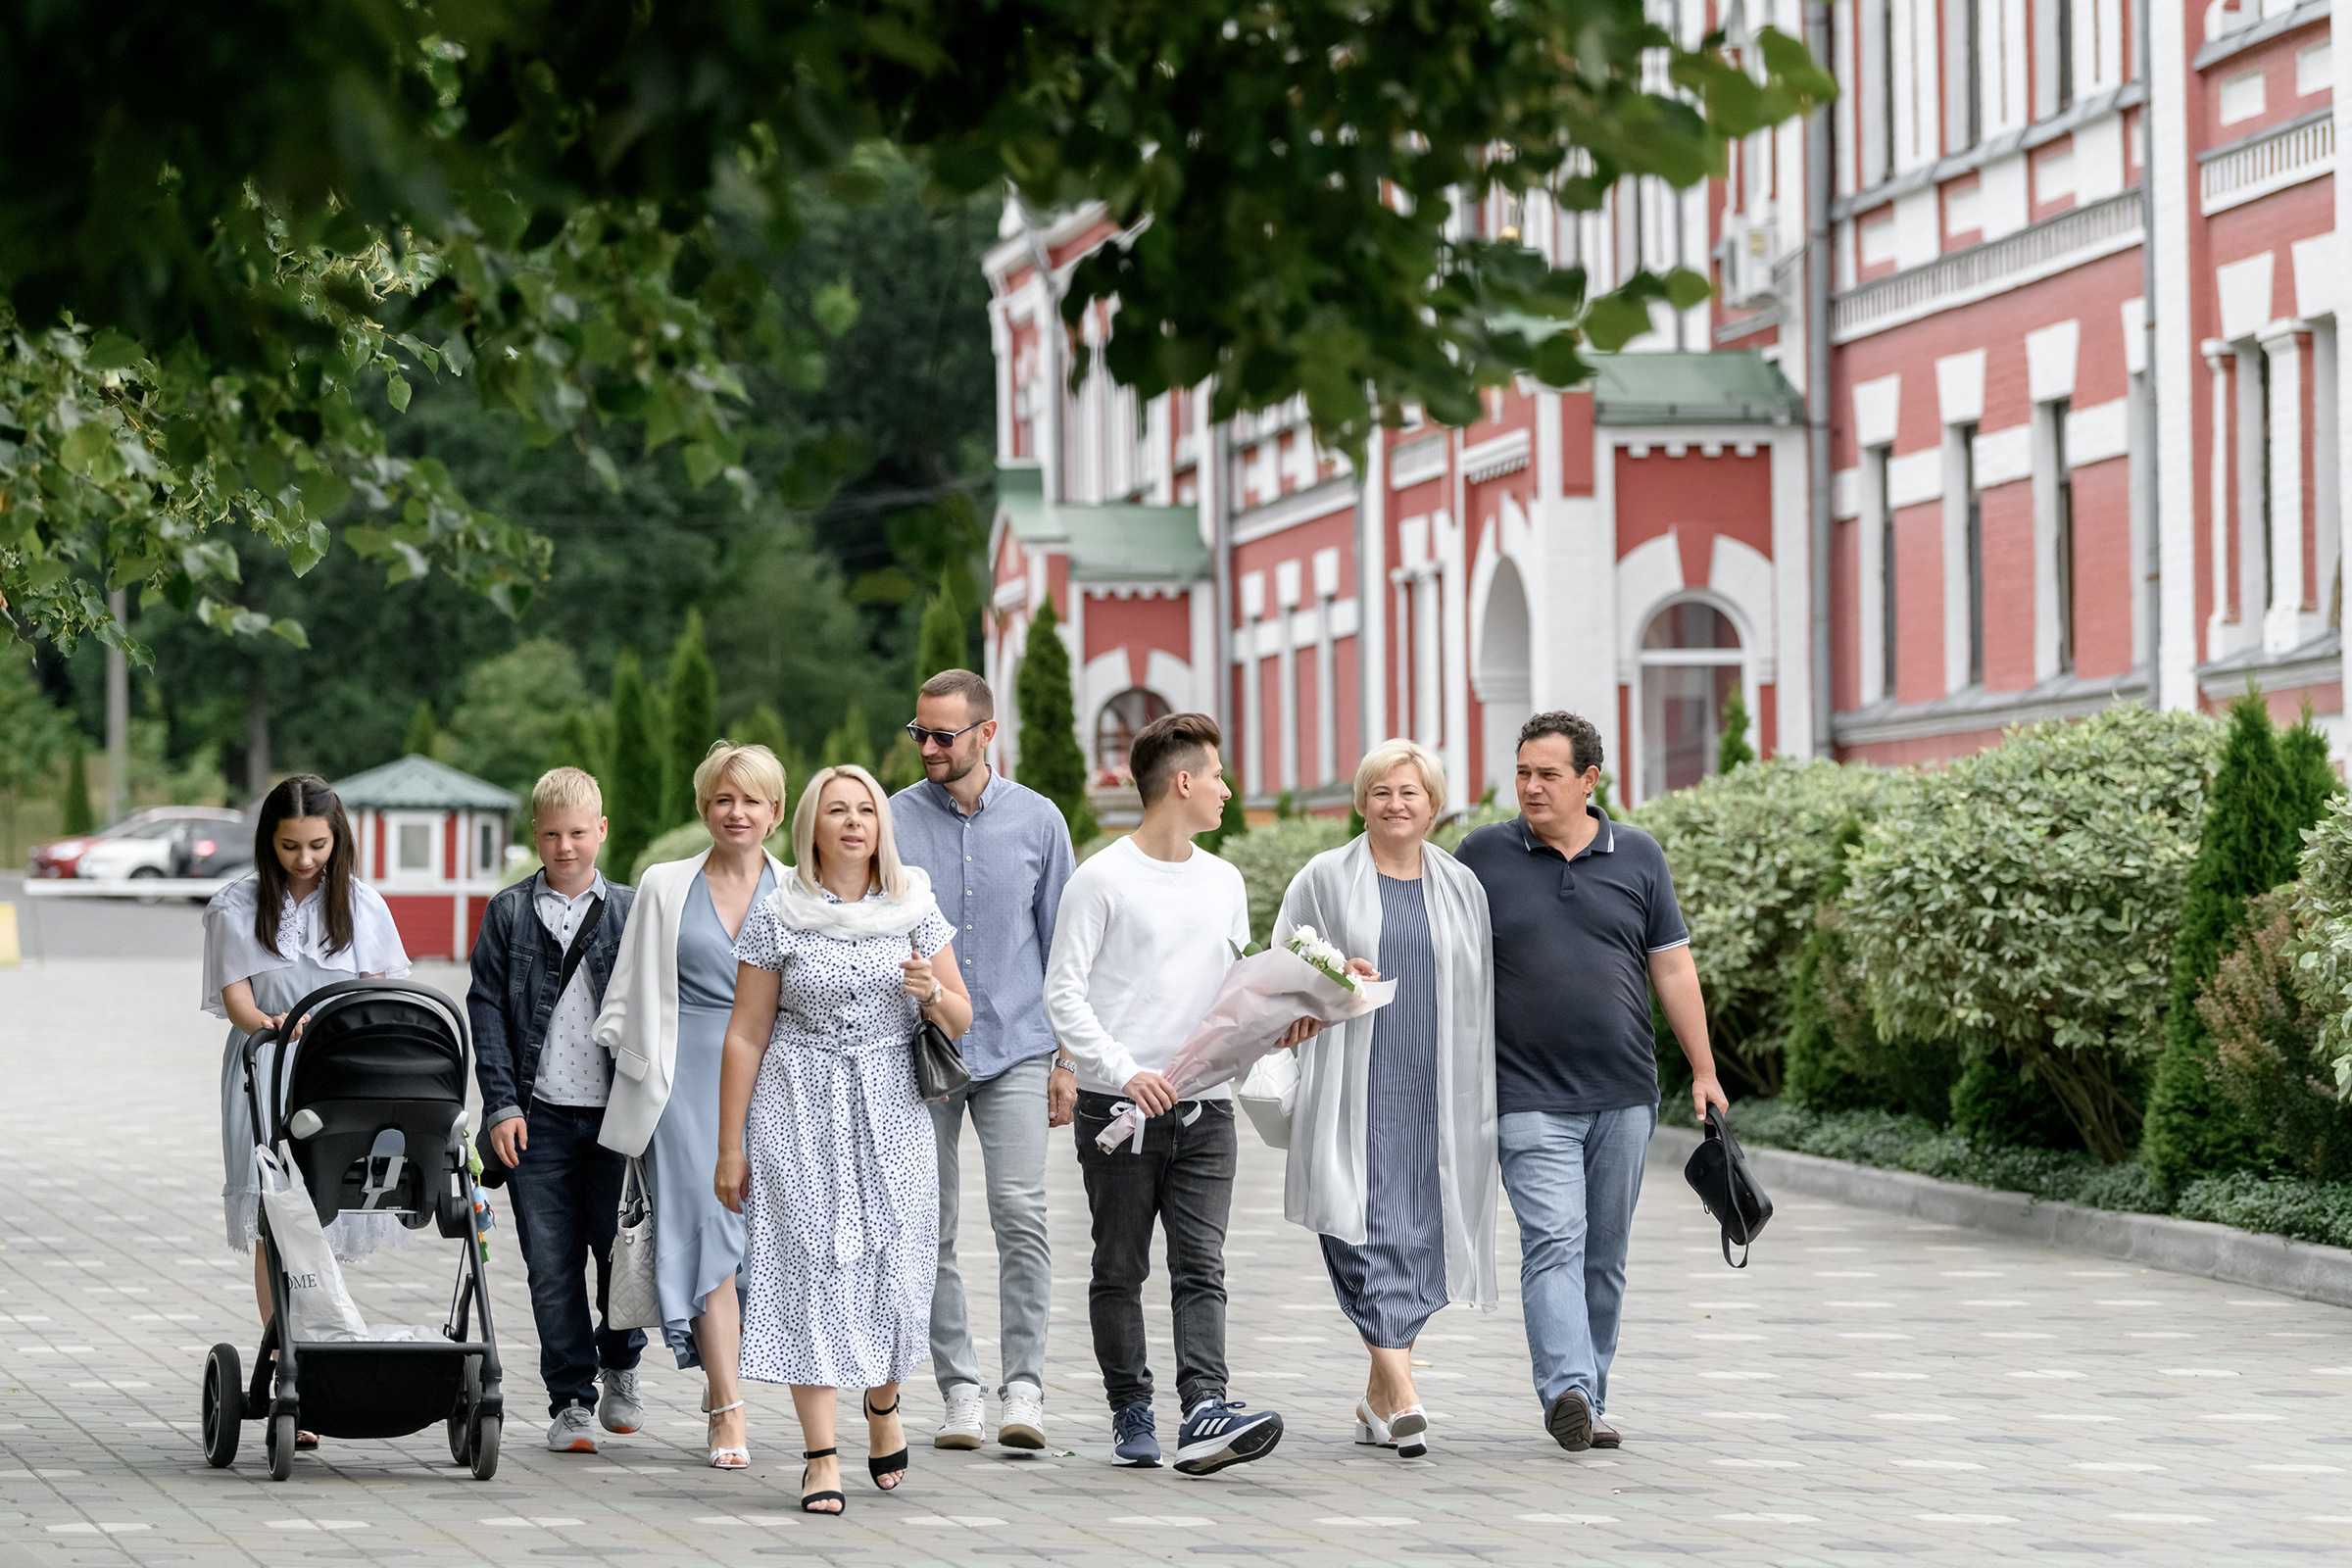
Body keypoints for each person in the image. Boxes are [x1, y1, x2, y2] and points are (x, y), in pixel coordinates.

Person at [1045, 711, 1319, 1478]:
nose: (1229, 791)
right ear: (1184, 781)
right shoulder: (1100, 879)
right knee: (1120, 1267)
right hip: (1120, 1111)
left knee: (1202, 1265)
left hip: (1207, 1109)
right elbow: (1063, 995)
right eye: (1220, 776)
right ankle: (1131, 1407)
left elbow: (1234, 994)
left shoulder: (1223, 879)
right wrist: (1121, 1068)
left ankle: (1205, 1408)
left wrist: (1283, 1024)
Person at [1453, 711, 1728, 1452]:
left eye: (1547, 774)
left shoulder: (1638, 856)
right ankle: (1568, 1387)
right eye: (1522, 773)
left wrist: (1703, 1070)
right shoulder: (1481, 855)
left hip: (1624, 1094)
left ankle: (1589, 1395)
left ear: (1589, 780)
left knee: (1604, 1257)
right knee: (1554, 1240)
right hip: (1525, 1095)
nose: (1531, 787)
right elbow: (1432, 945)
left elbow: (1671, 966)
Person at [715, 763, 973, 1517]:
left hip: (892, 1103)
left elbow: (961, 1017)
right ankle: (819, 1454)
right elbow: (744, 1035)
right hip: (796, 1103)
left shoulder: (914, 905)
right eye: (838, 810)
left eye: (866, 810)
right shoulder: (778, 913)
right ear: (812, 827)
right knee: (810, 1270)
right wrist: (731, 1146)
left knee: (896, 1262)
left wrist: (934, 995)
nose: (855, 821)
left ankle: (884, 1403)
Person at [1271, 738, 1496, 1460]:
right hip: (1352, 1086)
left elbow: (1482, 990)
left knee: (1422, 1237)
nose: (1396, 805)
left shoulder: (1463, 886)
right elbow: (1283, 960)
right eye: (1381, 792)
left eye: (1410, 793)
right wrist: (1327, 978)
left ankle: (1376, 1399)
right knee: (1358, 1232)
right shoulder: (1325, 879)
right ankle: (1404, 1394)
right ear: (1362, 803)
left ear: (1434, 805)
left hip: (1437, 1089)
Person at [890, 669, 1076, 1452]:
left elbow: (1067, 950)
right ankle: (960, 1389)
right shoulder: (893, 819)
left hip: (1019, 1049)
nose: (929, 747)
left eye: (944, 735)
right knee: (927, 1226)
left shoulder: (1039, 821)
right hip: (921, 1049)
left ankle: (1023, 1388)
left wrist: (1067, 1058)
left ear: (986, 734)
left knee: (1021, 1215)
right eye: (920, 734)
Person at [205, 774, 413, 1448]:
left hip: (339, 1066)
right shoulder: (236, 904)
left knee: (323, 1206)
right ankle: (288, 1359)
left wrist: (339, 1028)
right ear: (269, 841)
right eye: (290, 846)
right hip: (268, 1061)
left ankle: (320, 1356)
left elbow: (380, 990)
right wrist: (269, 1021)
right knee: (275, 1216)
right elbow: (236, 994)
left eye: (317, 845)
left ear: (337, 838)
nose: (303, 860)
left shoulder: (361, 904)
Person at [596, 742, 788, 1470]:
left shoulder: (800, 891)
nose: (736, 813)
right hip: (681, 1083)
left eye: (752, 800)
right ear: (705, 806)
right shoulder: (664, 884)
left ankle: (728, 1385)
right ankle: (728, 1408)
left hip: (776, 1081)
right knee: (709, 1232)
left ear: (776, 811)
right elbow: (628, 990)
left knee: (759, 1242)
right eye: (722, 799)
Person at [466, 766, 645, 1454]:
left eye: (578, 832)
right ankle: (570, 1397)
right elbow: (486, 1010)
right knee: (550, 1263)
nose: (565, 847)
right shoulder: (509, 913)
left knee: (621, 1255)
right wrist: (501, 1105)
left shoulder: (632, 911)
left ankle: (621, 1361)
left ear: (601, 830)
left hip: (617, 1120)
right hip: (535, 1120)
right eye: (551, 835)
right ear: (534, 838)